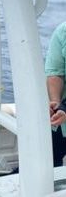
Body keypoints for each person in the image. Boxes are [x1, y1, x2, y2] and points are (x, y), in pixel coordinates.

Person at [45, 21, 66, 167]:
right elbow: (55, 73)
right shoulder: (63, 31)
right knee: (49, 161)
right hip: (62, 118)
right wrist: (56, 105)